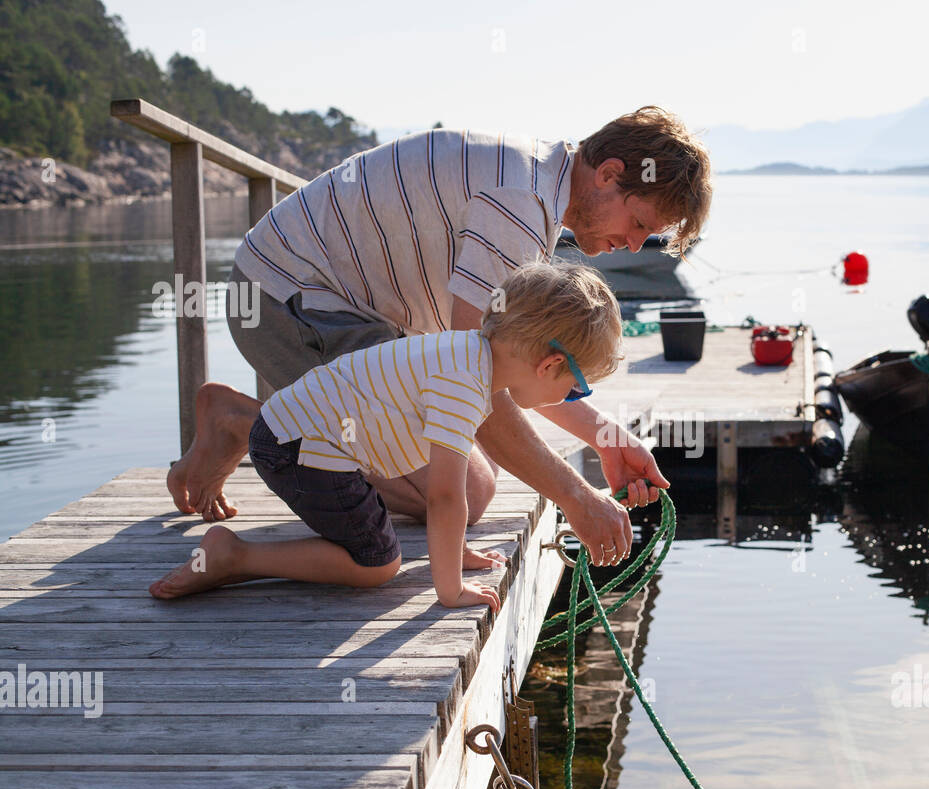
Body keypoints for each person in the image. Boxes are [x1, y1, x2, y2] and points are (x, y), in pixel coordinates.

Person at [169, 106, 711, 567]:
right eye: (640, 224)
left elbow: (512, 367)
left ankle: (268, 420)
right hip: (288, 301)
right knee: (467, 491)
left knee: (482, 461)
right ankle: (247, 422)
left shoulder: (536, 180)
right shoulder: (518, 204)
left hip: (331, 305)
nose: (636, 246)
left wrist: (606, 438)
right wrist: (575, 497)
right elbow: (479, 369)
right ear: (609, 173)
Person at [148, 259, 622, 605]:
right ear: (550, 364)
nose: (571, 399)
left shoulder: (463, 354)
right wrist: (451, 589)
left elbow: (435, 476)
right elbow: (443, 497)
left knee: (380, 545)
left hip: (298, 434)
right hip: (300, 451)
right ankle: (235, 557)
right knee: (378, 565)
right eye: (576, 390)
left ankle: (235, 548)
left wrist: (457, 549)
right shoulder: (467, 386)